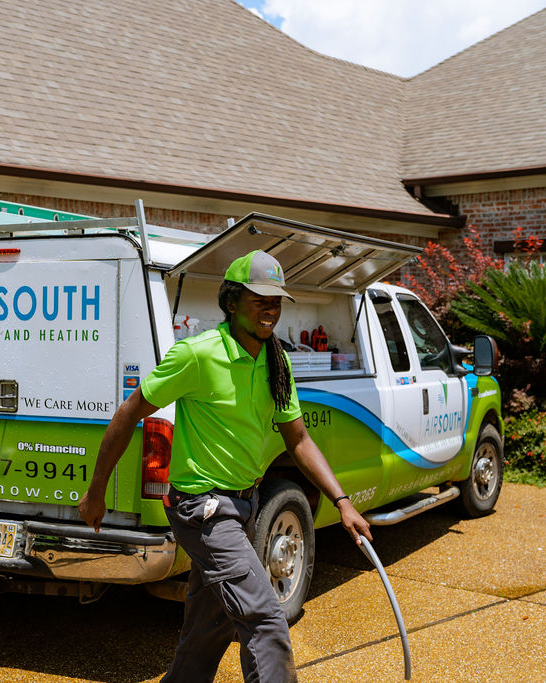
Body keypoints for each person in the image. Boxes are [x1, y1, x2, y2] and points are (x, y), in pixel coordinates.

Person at [78, 249, 372, 683]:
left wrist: (342, 502)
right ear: (231, 302)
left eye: (276, 301)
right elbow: (129, 412)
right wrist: (97, 490)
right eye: (259, 299)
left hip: (243, 505)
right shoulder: (197, 355)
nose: (270, 309)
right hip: (201, 509)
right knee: (265, 618)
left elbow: (300, 439)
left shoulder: (277, 362)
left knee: (208, 627)